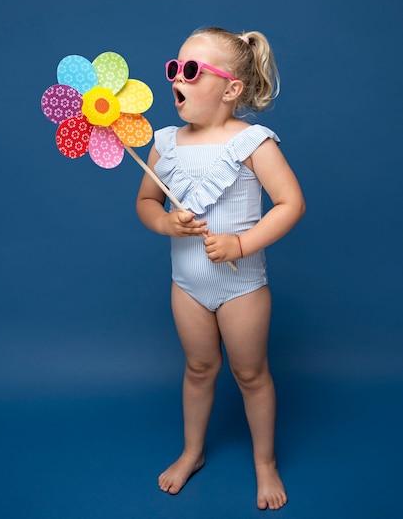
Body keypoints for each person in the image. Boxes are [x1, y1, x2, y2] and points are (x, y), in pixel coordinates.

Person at [136, 26, 305, 511]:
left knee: (250, 374)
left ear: (231, 89)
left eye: (191, 70)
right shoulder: (164, 143)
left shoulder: (252, 142)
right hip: (186, 285)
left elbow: (291, 203)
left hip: (242, 287)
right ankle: (192, 451)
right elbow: (146, 202)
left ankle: (265, 462)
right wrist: (166, 222)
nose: (177, 77)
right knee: (198, 368)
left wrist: (242, 242)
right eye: (174, 67)